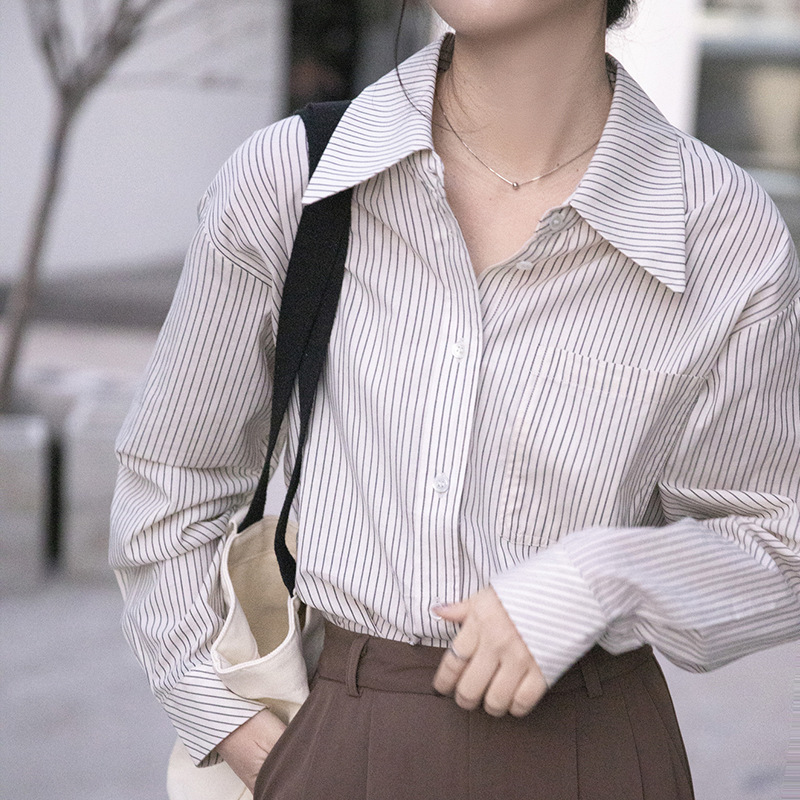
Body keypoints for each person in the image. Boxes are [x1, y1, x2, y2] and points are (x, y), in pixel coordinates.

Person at [110, 0, 800, 797]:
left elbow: (778, 535)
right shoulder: (292, 178)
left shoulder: (719, 230)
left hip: (593, 744)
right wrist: (235, 727)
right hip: (338, 734)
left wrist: (599, 579)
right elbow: (173, 475)